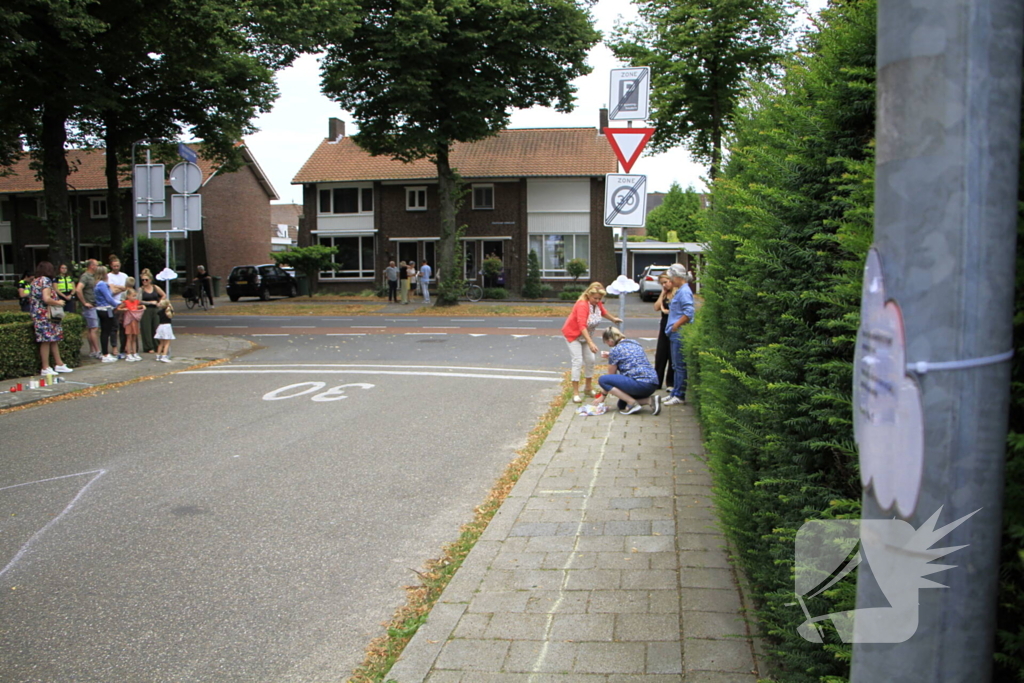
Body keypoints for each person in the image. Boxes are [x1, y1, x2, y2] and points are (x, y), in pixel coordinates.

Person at [561, 282, 622, 403]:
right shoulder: (582, 305)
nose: (597, 300)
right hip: (573, 335)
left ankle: (588, 388)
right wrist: (590, 342)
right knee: (577, 361)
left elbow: (603, 312)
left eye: (600, 299)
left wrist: (613, 319)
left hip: (586, 336)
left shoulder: (597, 303)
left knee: (591, 360)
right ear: (589, 295)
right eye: (595, 298)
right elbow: (581, 325)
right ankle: (575, 392)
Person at [598, 327, 660, 415]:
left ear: (610, 340)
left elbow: (610, 376)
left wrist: (602, 397)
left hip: (639, 384)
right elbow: (630, 357)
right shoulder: (635, 343)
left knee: (603, 379)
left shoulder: (615, 350)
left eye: (606, 342)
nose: (607, 344)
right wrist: (610, 355)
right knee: (622, 405)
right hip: (652, 383)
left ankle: (632, 403)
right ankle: (650, 400)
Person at [29, 262, 72, 376]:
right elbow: (46, 298)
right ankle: (45, 366)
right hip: (45, 314)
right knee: (46, 340)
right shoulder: (46, 281)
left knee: (53, 339)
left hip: (38, 313)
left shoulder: (35, 281)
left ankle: (59, 363)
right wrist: (57, 302)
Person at [663, 263, 695, 406]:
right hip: (674, 333)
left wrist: (676, 325)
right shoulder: (681, 290)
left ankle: (679, 395)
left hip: (678, 333)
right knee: (676, 365)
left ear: (677, 277)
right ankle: (675, 392)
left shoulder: (684, 291)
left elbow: (689, 312)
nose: (671, 281)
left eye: (672, 278)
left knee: (679, 365)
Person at [653, 273, 676, 392]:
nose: (664, 285)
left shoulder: (676, 294)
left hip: (673, 325)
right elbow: (656, 307)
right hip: (664, 325)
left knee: (672, 354)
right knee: (661, 354)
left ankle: (670, 382)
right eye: (662, 283)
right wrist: (662, 293)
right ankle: (657, 381)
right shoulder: (664, 294)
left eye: (665, 282)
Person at [93, 265, 120, 362]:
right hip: (106, 309)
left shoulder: (97, 284)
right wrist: (118, 304)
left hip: (100, 308)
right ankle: (105, 354)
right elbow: (108, 298)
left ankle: (105, 353)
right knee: (106, 332)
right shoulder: (102, 284)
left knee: (105, 331)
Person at [76, 259, 101, 358]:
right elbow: (78, 289)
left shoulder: (93, 276)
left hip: (95, 305)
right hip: (90, 306)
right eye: (96, 265)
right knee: (94, 328)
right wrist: (84, 302)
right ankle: (97, 350)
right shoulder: (85, 276)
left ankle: (92, 350)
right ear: (91, 266)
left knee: (91, 328)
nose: (97, 267)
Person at [138, 269, 166, 353]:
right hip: (146, 309)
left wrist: (160, 302)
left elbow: (163, 294)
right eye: (143, 280)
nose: (144, 281)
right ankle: (148, 346)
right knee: (146, 328)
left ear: (150, 280)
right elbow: (138, 301)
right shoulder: (141, 289)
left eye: (146, 280)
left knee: (156, 327)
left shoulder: (155, 287)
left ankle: (157, 345)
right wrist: (149, 302)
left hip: (155, 309)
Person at [107, 257, 128, 359]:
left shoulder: (124, 276)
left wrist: (116, 287)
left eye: (118, 266)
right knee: (114, 327)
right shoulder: (108, 276)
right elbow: (112, 291)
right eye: (114, 266)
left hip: (124, 303)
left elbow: (127, 288)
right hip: (114, 304)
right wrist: (121, 288)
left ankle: (124, 348)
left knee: (124, 327)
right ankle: (114, 347)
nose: (116, 267)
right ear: (111, 266)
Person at [117, 285, 144, 361]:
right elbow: (119, 308)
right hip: (129, 322)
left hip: (135, 322)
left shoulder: (136, 302)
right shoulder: (126, 302)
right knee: (129, 338)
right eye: (133, 296)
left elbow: (138, 306)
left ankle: (134, 352)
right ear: (128, 296)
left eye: (135, 296)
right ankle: (128, 354)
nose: (134, 298)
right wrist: (124, 309)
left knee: (134, 338)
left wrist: (142, 307)